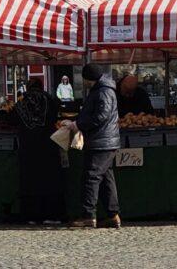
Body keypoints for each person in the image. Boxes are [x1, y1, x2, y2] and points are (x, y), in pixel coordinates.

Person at [66, 63, 121, 229]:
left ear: (89, 78)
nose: (84, 82)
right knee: (105, 178)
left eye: (85, 79)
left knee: (91, 177)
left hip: (102, 141)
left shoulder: (103, 91)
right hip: (104, 140)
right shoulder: (102, 89)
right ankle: (113, 215)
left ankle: (88, 215)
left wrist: (79, 125)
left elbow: (100, 116)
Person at [14, 79, 65, 224]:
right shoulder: (50, 100)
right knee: (50, 180)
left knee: (30, 182)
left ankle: (32, 216)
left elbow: (11, 119)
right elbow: (56, 115)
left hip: (28, 146)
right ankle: (52, 215)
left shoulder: (21, 103)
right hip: (48, 144)